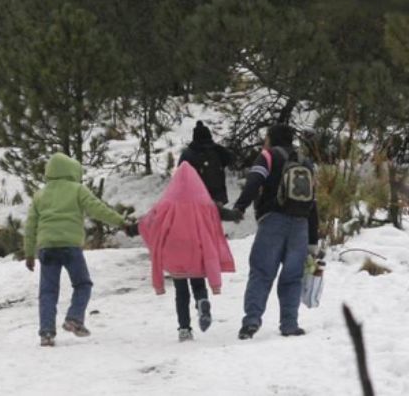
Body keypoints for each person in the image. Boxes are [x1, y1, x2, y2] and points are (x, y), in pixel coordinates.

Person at [24, 153, 125, 347]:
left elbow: (30, 225)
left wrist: (29, 253)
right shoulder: (77, 190)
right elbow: (98, 209)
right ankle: (74, 319)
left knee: (47, 292)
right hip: (71, 247)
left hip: (47, 248)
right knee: (82, 284)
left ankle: (46, 333)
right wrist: (121, 222)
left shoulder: (40, 195)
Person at [231, 123, 320, 340]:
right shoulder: (305, 162)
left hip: (273, 221)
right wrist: (313, 238)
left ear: (271, 138)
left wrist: (240, 206)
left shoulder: (268, 156)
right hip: (300, 224)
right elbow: (313, 202)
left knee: (261, 272)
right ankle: (289, 324)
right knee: (292, 276)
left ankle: (252, 321)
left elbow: (254, 181)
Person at [134, 162, 236, 342]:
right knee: (198, 284)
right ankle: (202, 302)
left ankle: (184, 329)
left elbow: (151, 221)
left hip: (175, 251)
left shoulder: (167, 202)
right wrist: (235, 214)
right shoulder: (204, 202)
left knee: (181, 292)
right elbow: (217, 216)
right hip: (197, 249)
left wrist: (135, 227)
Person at [170, 120, 240, 339]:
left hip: (180, 239)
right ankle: (202, 298)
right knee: (201, 262)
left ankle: (184, 329)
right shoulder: (217, 151)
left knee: (181, 288)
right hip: (212, 205)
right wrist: (233, 214)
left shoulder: (187, 157)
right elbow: (232, 159)